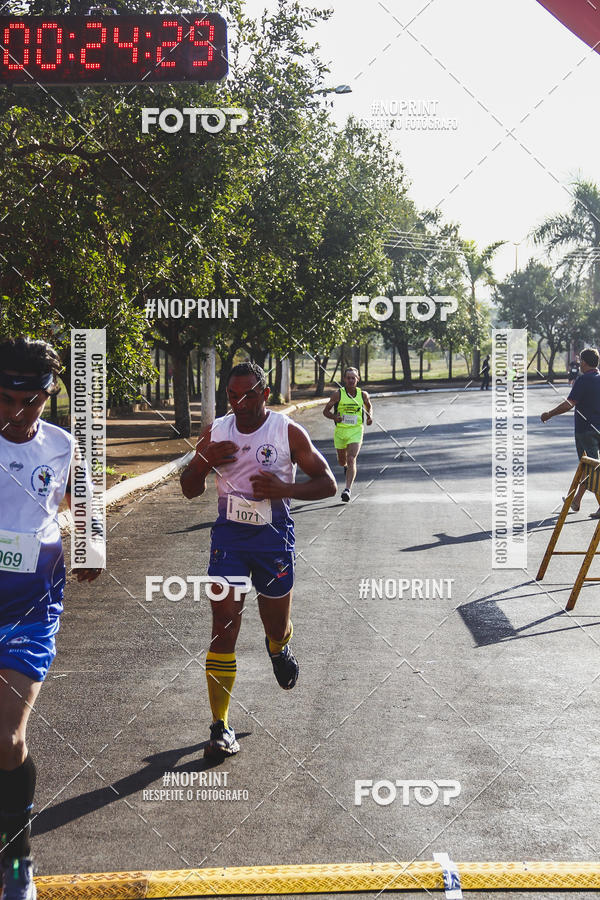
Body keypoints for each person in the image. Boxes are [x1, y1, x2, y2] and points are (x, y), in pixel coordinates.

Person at [180, 362, 336, 759]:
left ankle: (278, 646)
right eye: (233, 396)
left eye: (248, 395)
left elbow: (327, 483)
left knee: (276, 623)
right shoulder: (216, 432)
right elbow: (188, 489)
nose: (239, 403)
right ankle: (220, 726)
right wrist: (203, 460)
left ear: (265, 393)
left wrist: (284, 488)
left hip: (273, 539)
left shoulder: (286, 431)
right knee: (223, 627)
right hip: (229, 538)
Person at [0, 337, 102, 900]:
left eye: (30, 399)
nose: (17, 410)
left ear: (49, 395)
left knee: (7, 739)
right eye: (5, 397)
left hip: (30, 608)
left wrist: (89, 548)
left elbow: (84, 506)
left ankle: (18, 862)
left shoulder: (63, 446)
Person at [541, 347, 600, 517]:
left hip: (585, 431)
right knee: (588, 466)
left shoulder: (583, 380)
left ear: (584, 362)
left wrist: (549, 414)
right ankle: (575, 501)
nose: (579, 363)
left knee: (591, 468)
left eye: (580, 360)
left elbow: (569, 404)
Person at [322, 367, 372, 502]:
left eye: (353, 378)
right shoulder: (338, 394)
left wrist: (369, 417)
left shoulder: (363, 395)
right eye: (348, 378)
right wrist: (334, 417)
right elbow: (325, 411)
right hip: (340, 431)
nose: (350, 380)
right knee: (342, 461)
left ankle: (347, 490)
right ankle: (345, 467)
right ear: (344, 379)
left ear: (357, 379)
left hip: (356, 430)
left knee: (351, 459)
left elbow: (368, 406)